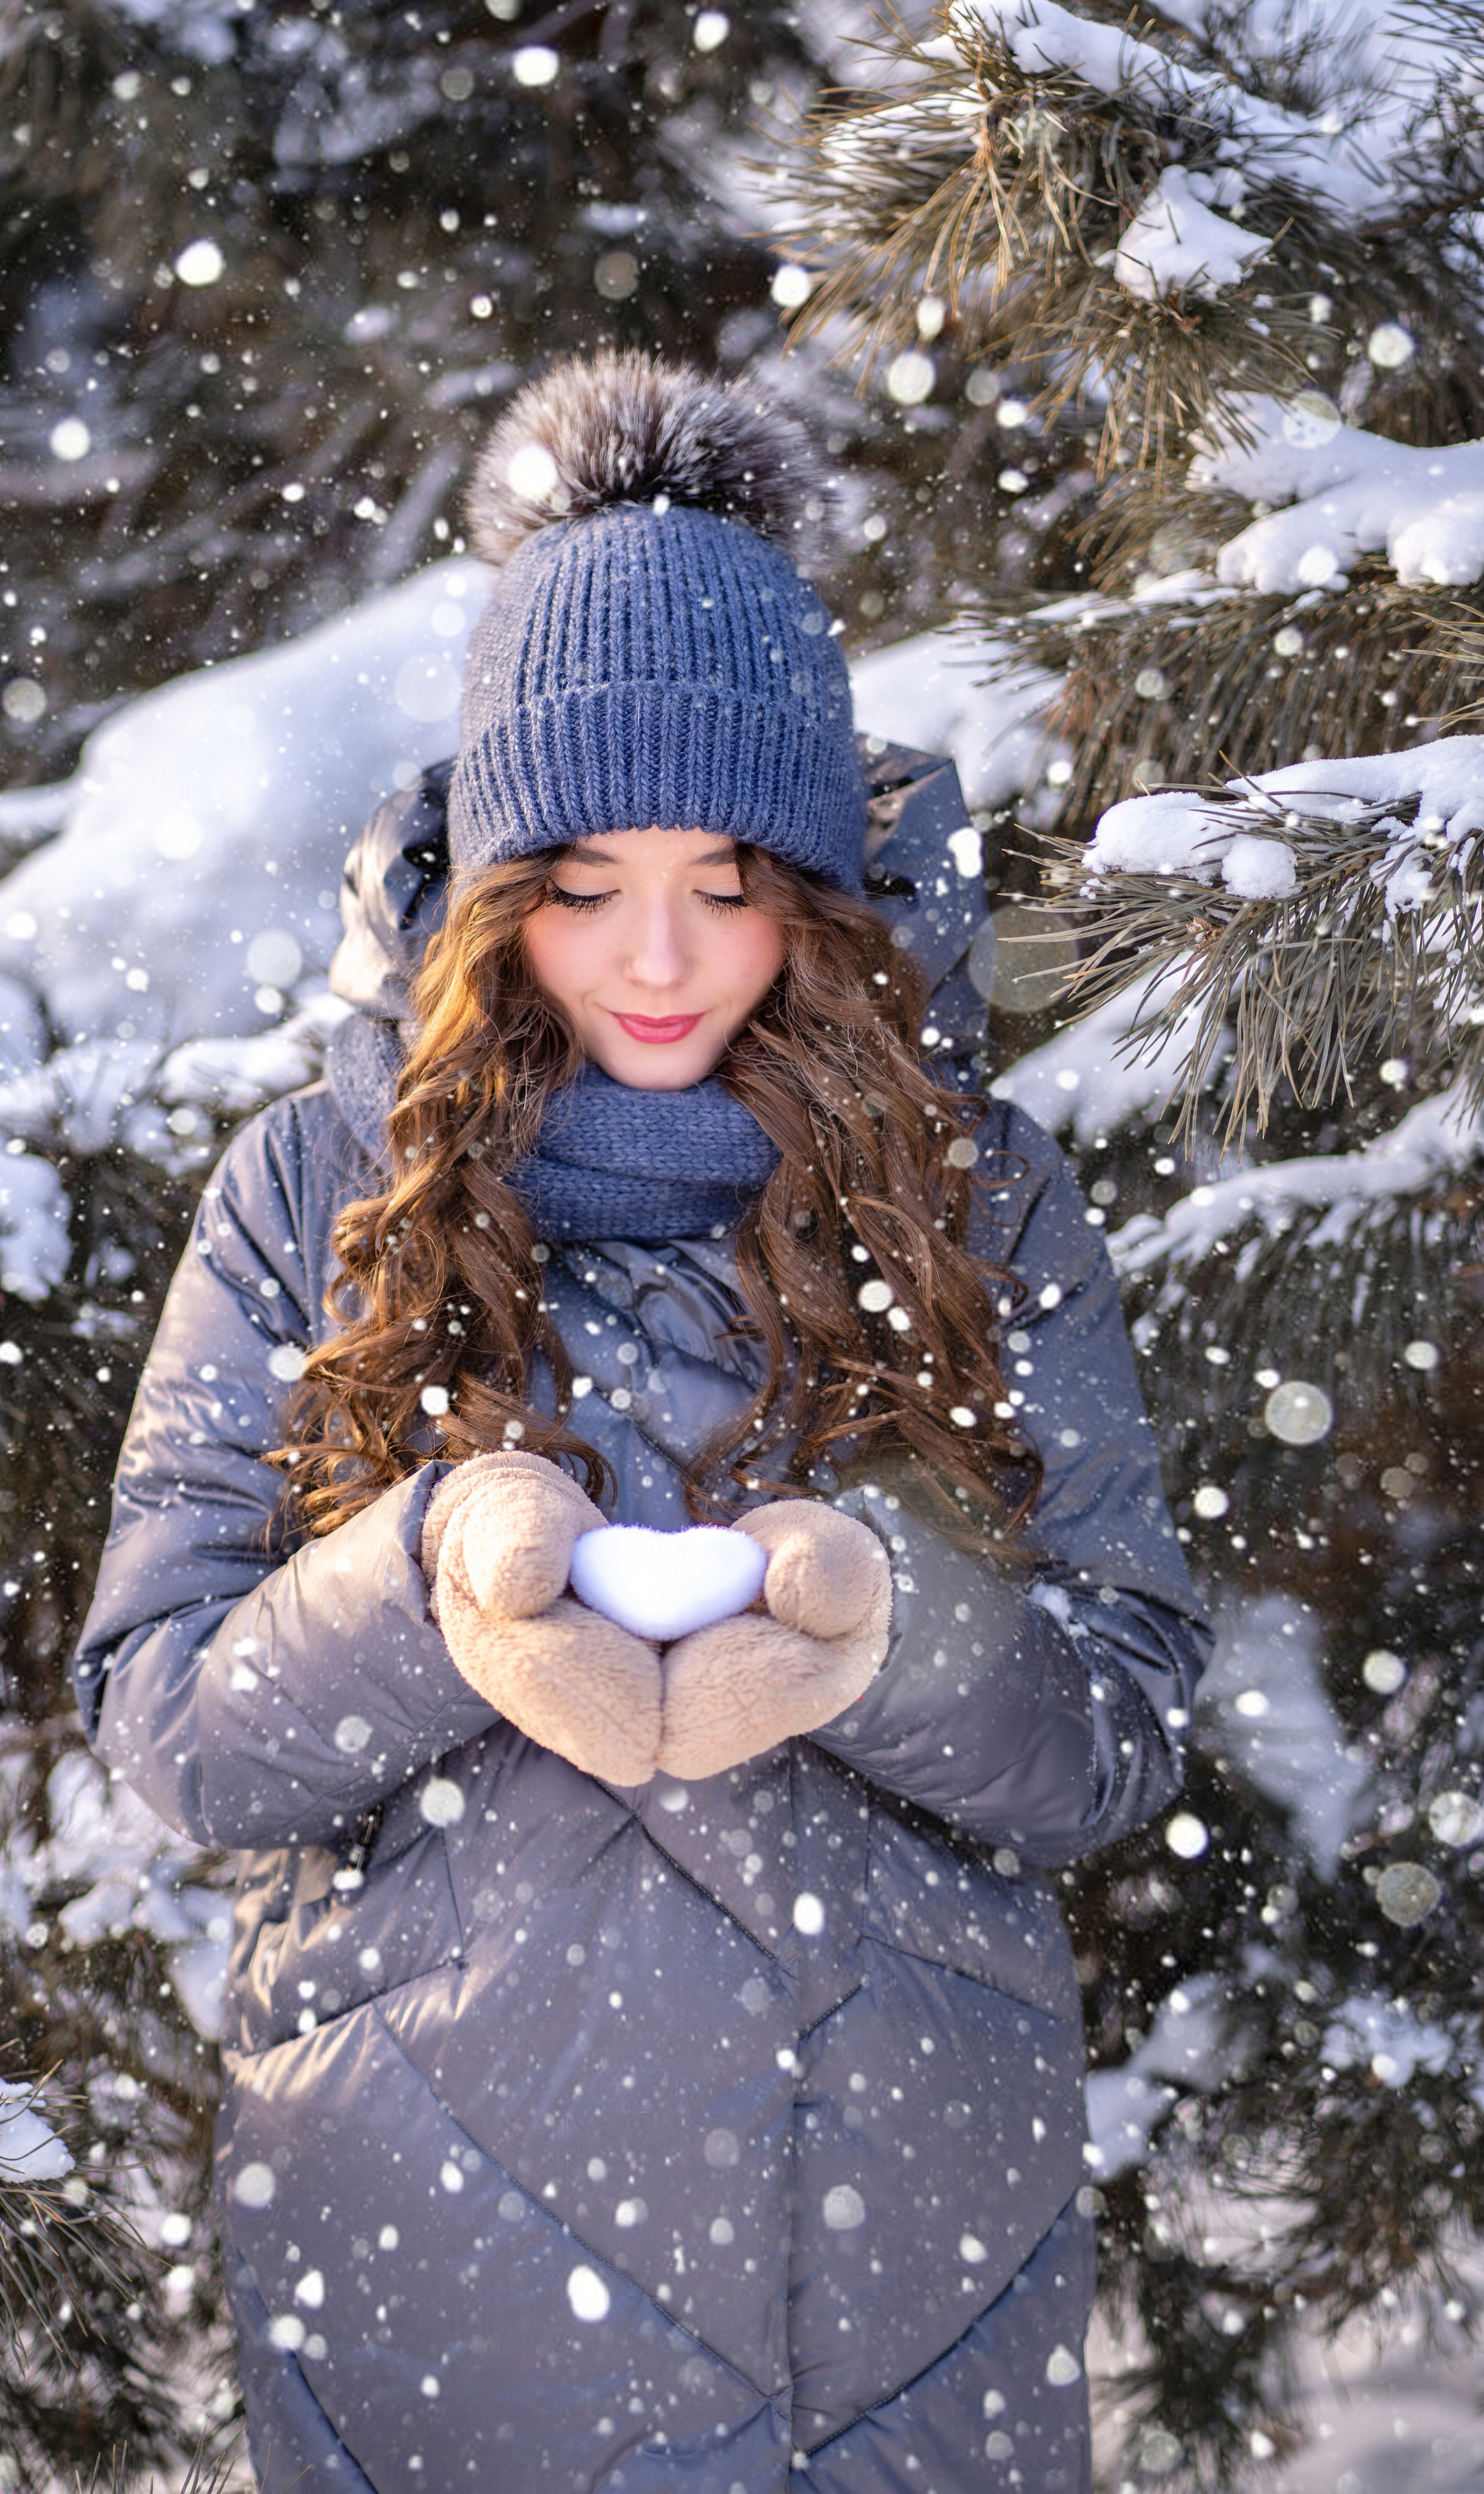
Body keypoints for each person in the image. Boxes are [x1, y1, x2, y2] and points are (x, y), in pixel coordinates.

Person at [72, 351, 1210, 2494]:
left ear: (821, 881)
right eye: (585, 881)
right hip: (426, 2242)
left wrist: (886, 1633)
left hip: (901, 2281)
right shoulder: (319, 1193)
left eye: (731, 878)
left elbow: (1117, 1735)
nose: (663, 958)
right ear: (494, 879)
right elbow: (173, 1732)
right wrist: (430, 1584)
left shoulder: (982, 1193)